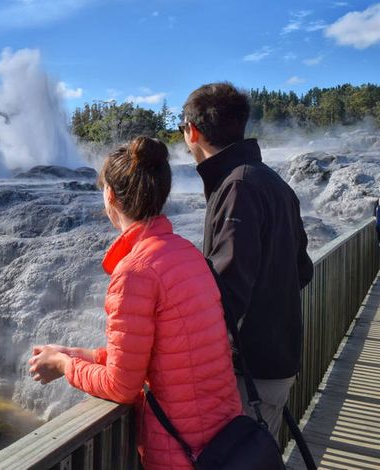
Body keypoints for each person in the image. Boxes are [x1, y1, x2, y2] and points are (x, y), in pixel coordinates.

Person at [28, 136, 242, 469]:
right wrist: (74, 353)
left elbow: (122, 387)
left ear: (110, 195)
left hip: (185, 453)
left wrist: (64, 367)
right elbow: (157, 355)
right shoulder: (186, 252)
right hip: (225, 437)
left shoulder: (135, 271)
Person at [180, 82, 314, 439]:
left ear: (192, 131)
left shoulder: (237, 187)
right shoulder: (272, 182)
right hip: (273, 361)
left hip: (248, 373)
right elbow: (303, 269)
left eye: (182, 129)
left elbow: (226, 292)